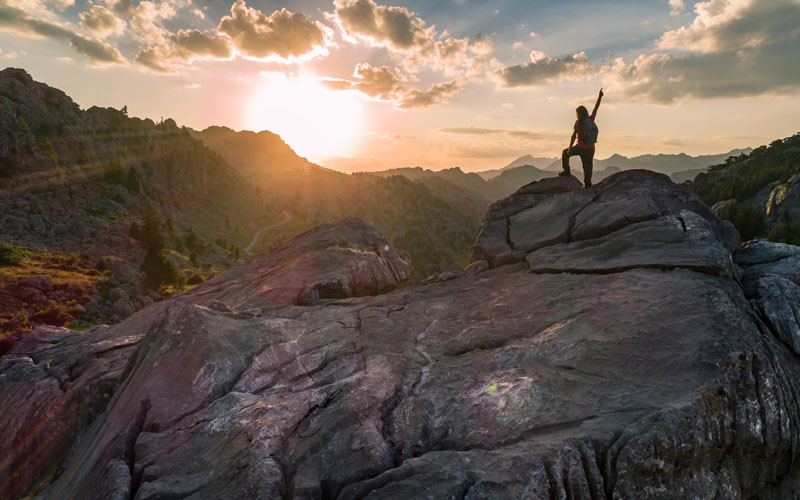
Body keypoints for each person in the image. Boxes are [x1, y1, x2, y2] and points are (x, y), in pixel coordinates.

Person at [559, 88, 603, 187]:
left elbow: (574, 136)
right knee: (588, 166)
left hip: (581, 148)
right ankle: (588, 184)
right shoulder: (590, 119)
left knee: (564, 153)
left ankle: (567, 171)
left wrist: (570, 148)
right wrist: (600, 97)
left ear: (579, 114)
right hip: (591, 148)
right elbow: (596, 108)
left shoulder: (578, 123)